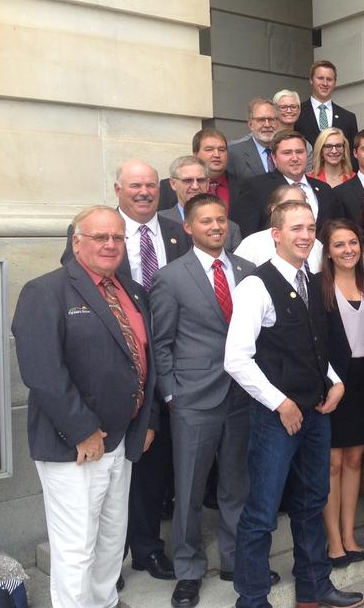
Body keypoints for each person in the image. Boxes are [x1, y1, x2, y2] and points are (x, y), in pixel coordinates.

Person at [13, 205, 159, 608]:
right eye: (100, 237)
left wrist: (148, 421)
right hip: (74, 446)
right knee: (76, 546)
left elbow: (146, 363)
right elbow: (42, 371)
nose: (110, 245)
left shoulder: (132, 291)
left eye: (117, 237)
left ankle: (105, 602)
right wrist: (82, 430)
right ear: (77, 242)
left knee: (112, 538)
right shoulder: (45, 291)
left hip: (122, 441)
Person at [223, 200, 364, 608]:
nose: (304, 236)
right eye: (296, 228)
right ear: (276, 234)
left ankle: (313, 586)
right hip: (276, 419)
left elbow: (315, 346)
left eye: (309, 228)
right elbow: (236, 358)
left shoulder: (313, 279)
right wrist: (280, 403)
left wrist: (335, 382)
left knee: (312, 502)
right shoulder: (255, 285)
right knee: (262, 512)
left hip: (316, 414)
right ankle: (251, 598)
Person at [61, 160, 188, 583]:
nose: (144, 192)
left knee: (152, 467)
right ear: (118, 189)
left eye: (151, 185)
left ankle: (147, 548)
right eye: (135, 185)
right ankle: (106, 565)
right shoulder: (95, 234)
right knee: (106, 485)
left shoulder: (176, 230)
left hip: (165, 367)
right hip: (112, 377)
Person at [149, 193, 257, 608]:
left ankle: (233, 560)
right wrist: (172, 393)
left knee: (236, 486)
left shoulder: (248, 271)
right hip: (193, 398)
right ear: (188, 228)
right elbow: (161, 343)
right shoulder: (170, 277)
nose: (216, 227)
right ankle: (189, 569)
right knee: (190, 488)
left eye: (221, 220)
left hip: (242, 395)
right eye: (206, 221)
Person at [316, 220, 364, 568]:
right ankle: (334, 540)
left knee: (355, 459)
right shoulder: (317, 286)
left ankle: (349, 533)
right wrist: (328, 381)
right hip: (333, 381)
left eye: (353, 243)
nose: (347, 250)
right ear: (328, 250)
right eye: (339, 245)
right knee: (332, 462)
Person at [234, 130, 336, 237]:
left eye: (300, 152)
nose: (295, 158)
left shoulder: (324, 189)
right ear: (274, 158)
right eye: (287, 153)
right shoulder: (256, 187)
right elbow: (248, 233)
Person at [157, 129, 244, 222]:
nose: (217, 155)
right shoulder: (167, 187)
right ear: (195, 154)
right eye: (209, 149)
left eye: (221, 150)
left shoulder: (244, 186)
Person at [159, 155, 242, 252]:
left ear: (207, 183)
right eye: (188, 180)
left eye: (200, 180)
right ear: (173, 184)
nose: (195, 186)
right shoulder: (158, 222)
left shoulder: (230, 229)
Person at [234, 184, 324, 271]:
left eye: (301, 205)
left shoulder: (317, 246)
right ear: (274, 209)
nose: (296, 210)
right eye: (289, 205)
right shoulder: (252, 244)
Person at [295, 60, 358, 148]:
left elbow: (353, 154)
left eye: (329, 79)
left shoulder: (348, 118)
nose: (325, 83)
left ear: (335, 83)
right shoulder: (297, 113)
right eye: (320, 78)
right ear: (311, 80)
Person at [228, 98, 280, 180]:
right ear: (250, 124)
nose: (267, 125)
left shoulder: (286, 151)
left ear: (277, 123)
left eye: (271, 119)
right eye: (261, 120)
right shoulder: (233, 154)